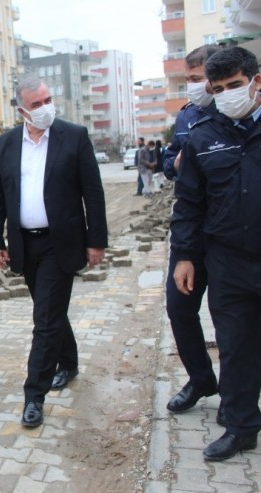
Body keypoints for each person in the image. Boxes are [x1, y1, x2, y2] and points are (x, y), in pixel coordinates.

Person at [0, 76, 108, 428]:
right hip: (25, 244)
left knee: (44, 320)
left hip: (62, 243)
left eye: (48, 100)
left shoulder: (75, 136)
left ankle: (33, 396)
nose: (45, 108)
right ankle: (68, 362)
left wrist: (96, 240)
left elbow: (93, 192)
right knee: (50, 310)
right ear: (22, 110)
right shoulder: (5, 144)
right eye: (36, 104)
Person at [171, 46, 261, 462]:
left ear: (256, 81)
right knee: (235, 346)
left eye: (236, 86)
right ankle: (242, 427)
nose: (227, 95)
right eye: (219, 88)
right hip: (228, 261)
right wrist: (186, 256)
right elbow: (188, 202)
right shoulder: (204, 135)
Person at [162, 45, 224, 424]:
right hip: (190, 232)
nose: (194, 87)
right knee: (179, 307)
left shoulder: (237, 112)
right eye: (189, 80)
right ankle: (201, 378)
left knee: (230, 316)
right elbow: (169, 160)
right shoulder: (186, 118)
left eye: (199, 79)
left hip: (231, 233)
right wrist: (178, 161)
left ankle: (236, 395)